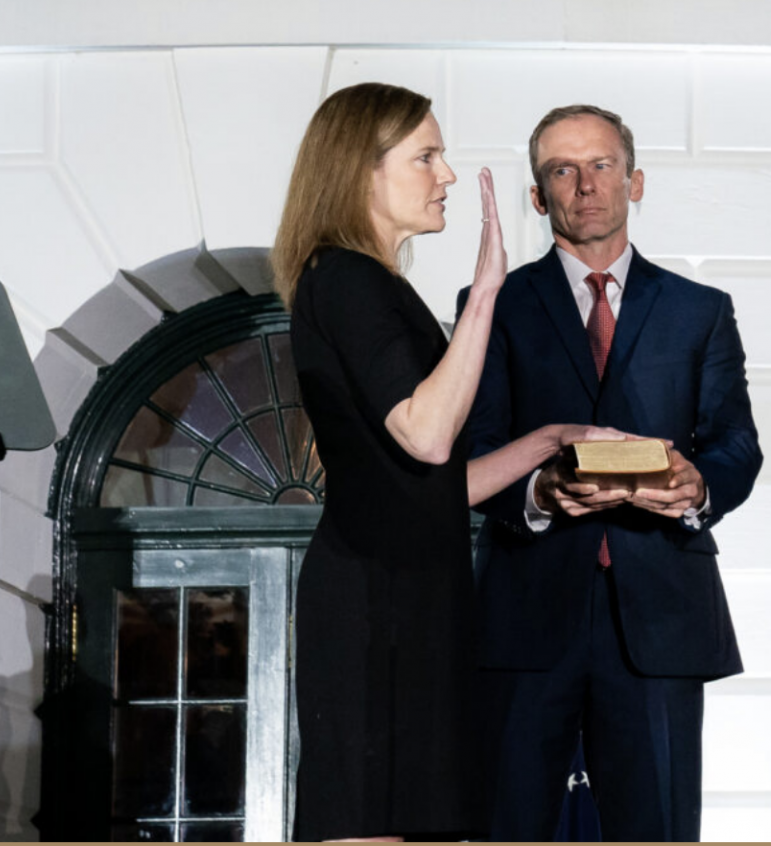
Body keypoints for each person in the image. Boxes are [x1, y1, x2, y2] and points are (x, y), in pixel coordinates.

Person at [273, 83, 624, 843]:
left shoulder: (370, 284)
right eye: (426, 156)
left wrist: (549, 440)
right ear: (360, 170)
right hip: (376, 601)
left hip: (414, 592)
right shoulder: (346, 278)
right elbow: (427, 436)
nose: (448, 175)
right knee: (370, 821)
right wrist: (488, 288)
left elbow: (434, 486)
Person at [457, 104, 763, 842]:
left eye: (601, 165)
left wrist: (700, 487)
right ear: (538, 197)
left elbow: (736, 443)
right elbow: (477, 447)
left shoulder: (700, 311)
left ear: (635, 181)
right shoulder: (490, 309)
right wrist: (539, 493)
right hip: (529, 613)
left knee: (656, 828)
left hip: (660, 611)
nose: (585, 185)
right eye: (562, 169)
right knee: (510, 826)